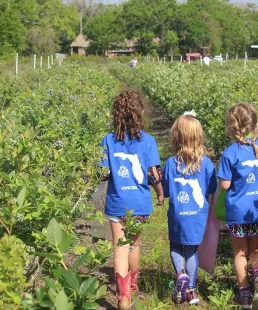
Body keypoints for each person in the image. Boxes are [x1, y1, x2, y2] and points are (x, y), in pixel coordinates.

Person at [100, 89, 164, 310]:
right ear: (141, 113)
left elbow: (103, 173)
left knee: (119, 247)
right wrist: (160, 192)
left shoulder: (107, 140)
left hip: (117, 202)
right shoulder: (148, 141)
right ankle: (133, 286)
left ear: (115, 115)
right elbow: (153, 173)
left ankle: (123, 297)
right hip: (139, 203)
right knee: (134, 244)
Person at [217, 103, 258, 309]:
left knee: (240, 253)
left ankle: (244, 295)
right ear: (255, 123)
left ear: (232, 127)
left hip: (239, 213)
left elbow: (225, 184)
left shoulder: (230, 152)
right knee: (256, 248)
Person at [162, 112, 217, 305]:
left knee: (176, 246)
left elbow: (167, 190)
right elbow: (212, 189)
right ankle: (191, 291)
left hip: (177, 216)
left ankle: (180, 275)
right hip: (197, 217)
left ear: (176, 137)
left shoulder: (170, 163)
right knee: (192, 251)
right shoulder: (207, 164)